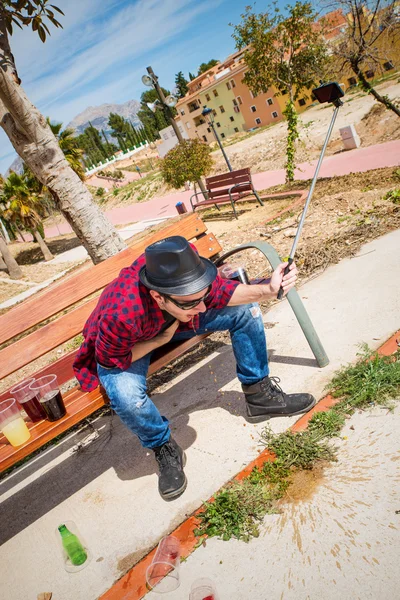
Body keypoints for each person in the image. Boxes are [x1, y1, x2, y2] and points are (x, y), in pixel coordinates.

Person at [73, 236, 315, 501]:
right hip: (132, 344)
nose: (201, 307)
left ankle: (260, 397)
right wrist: (160, 340)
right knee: (126, 397)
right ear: (158, 296)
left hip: (172, 323)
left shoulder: (185, 272)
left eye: (201, 297)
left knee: (246, 310)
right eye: (191, 302)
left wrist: (269, 289)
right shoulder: (120, 313)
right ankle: (163, 446)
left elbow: (221, 294)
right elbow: (111, 360)